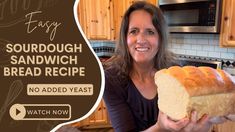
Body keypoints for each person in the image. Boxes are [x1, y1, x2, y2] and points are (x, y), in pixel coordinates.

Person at [103, 1, 228, 132]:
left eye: (150, 32)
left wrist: (204, 124)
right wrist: (160, 127)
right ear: (125, 37)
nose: (140, 39)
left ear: (160, 38)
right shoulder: (111, 79)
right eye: (133, 31)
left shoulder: (174, 73)